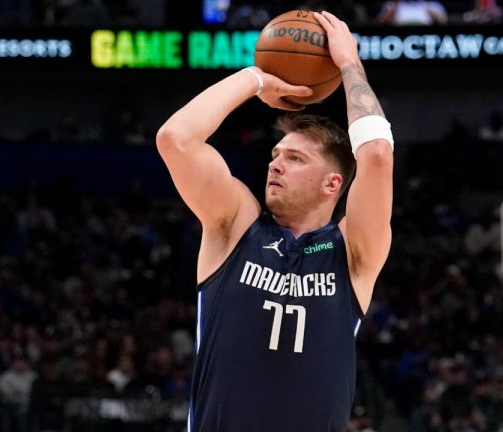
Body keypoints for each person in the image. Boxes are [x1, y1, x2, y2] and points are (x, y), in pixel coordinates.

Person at [155, 10, 393, 432]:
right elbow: (176, 139)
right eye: (275, 156)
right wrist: (256, 79)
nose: (276, 166)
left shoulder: (353, 253)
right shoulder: (236, 225)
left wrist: (349, 64)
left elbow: (375, 155)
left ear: (332, 183)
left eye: (295, 159)